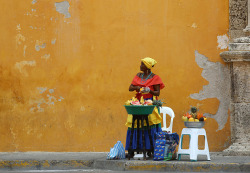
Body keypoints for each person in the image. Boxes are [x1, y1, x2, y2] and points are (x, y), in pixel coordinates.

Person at [125, 57, 165, 152]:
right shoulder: (138, 75)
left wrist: (149, 90)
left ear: (147, 66)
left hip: (150, 103)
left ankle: (150, 148)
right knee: (135, 123)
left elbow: (157, 93)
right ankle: (135, 147)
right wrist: (138, 87)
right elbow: (130, 88)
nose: (140, 66)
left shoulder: (155, 78)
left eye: (142, 64)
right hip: (139, 101)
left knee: (149, 123)